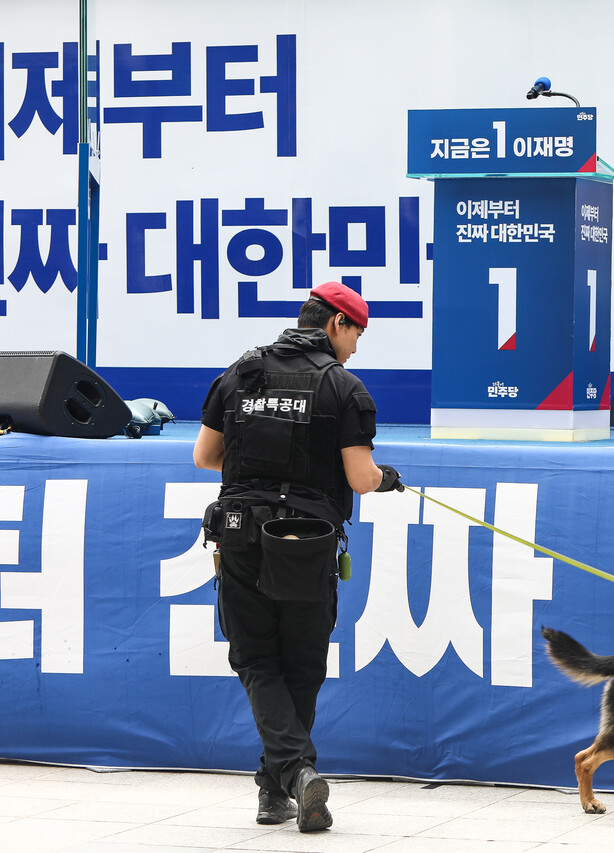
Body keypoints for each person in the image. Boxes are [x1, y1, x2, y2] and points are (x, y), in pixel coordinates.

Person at [193, 282, 403, 832]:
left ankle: (278, 786)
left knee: (258, 661)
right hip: (306, 542)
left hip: (239, 534)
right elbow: (361, 477)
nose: (355, 348)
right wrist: (386, 482)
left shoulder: (240, 373)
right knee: (302, 663)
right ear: (337, 324)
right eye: (356, 334)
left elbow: (205, 457)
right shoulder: (343, 386)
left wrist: (262, 476)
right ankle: (292, 776)